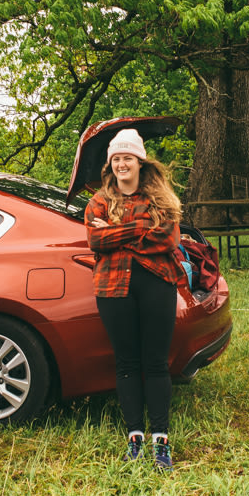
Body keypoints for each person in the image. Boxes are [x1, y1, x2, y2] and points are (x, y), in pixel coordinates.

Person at [84, 127, 184, 470]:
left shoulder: (162, 199)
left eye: (128, 157)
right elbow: (95, 243)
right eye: (116, 158)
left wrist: (115, 234)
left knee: (156, 362)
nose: (121, 163)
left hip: (157, 283)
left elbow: (167, 240)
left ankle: (161, 440)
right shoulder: (98, 202)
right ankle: (134, 436)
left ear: (140, 162)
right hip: (113, 288)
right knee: (126, 362)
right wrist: (141, 230)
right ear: (110, 164)